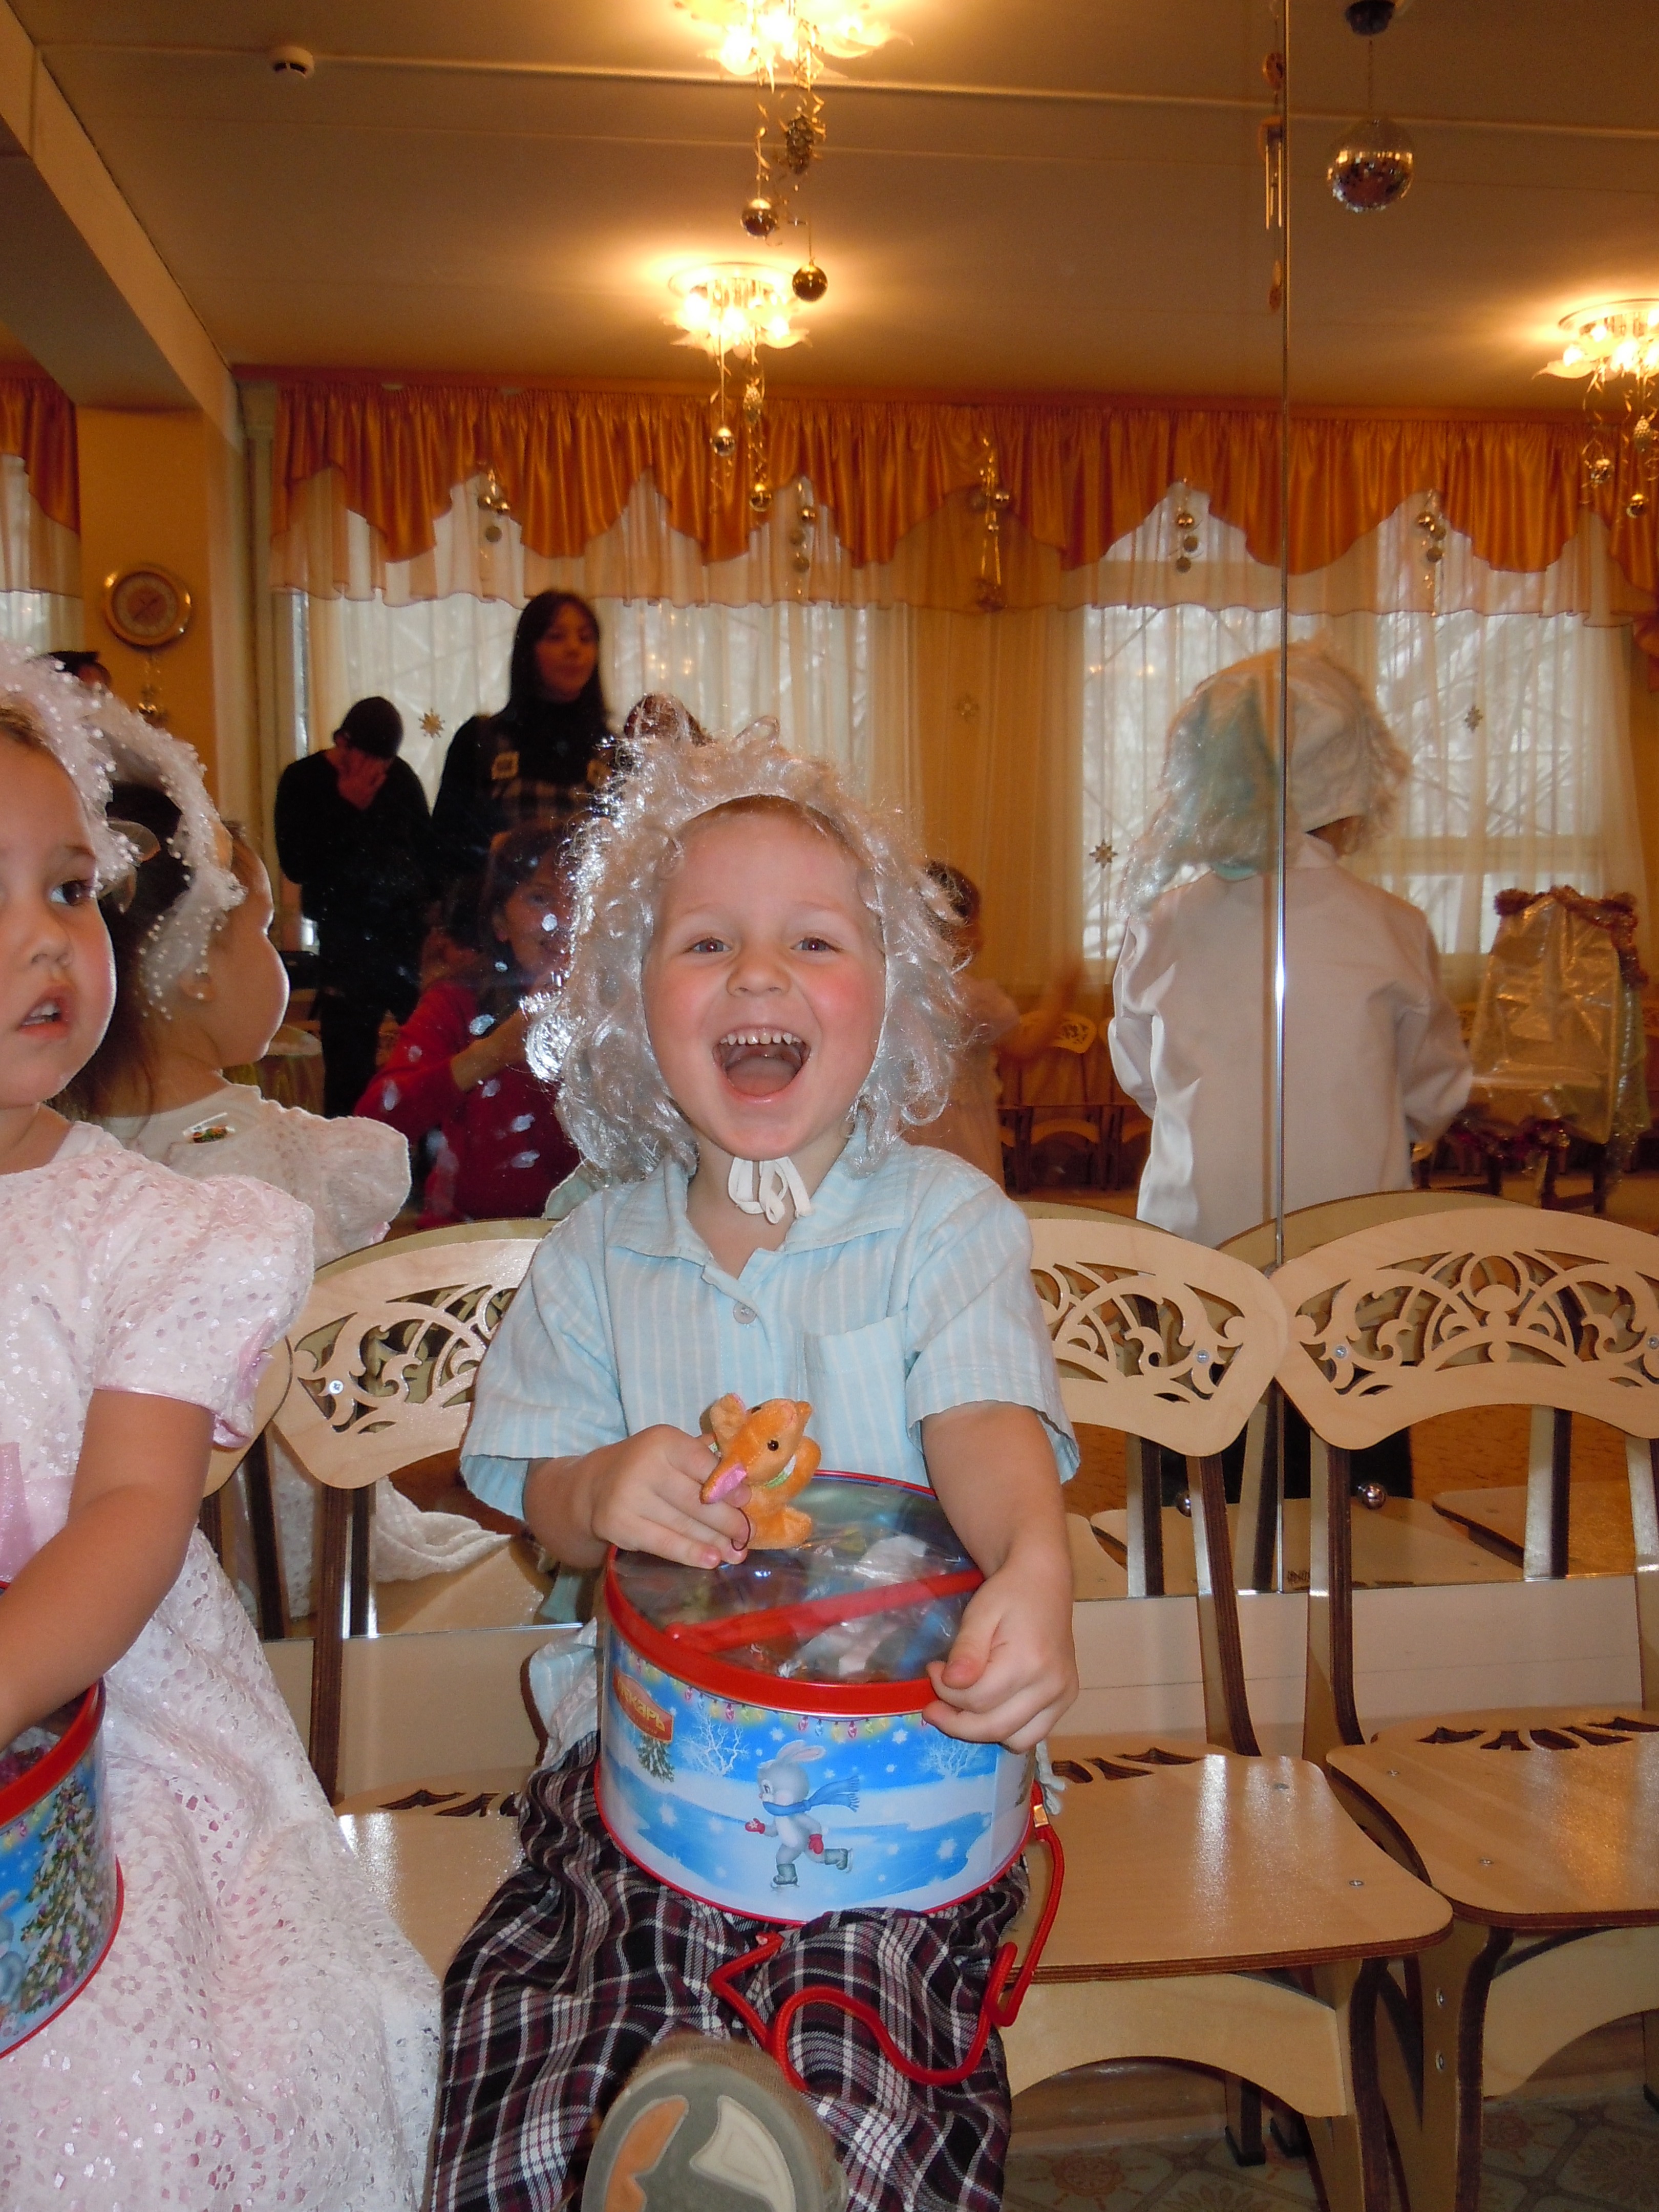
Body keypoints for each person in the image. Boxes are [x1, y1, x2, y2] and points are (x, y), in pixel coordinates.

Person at [428, 713, 1078, 2212]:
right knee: (564, 2019)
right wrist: (594, 1491)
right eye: (707, 943)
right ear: (629, 1003)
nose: (760, 976)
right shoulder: (596, 1252)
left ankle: (782, 2157)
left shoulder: (942, 1225)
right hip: (640, 1771)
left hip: (908, 1779)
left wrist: (1034, 1562)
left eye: (813, 942)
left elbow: (983, 1424)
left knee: (856, 2032)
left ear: (891, 1001)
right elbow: (535, 1491)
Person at [0, 648, 437, 2208]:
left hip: (121, 1745)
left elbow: (133, 1512)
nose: (43, 938)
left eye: (67, 889)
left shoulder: (152, 1228)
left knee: (168, 2103)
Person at [67, 738, 507, 1618]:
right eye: (264, 935)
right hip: (305, 1542)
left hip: (112, 1558)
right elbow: (347, 1370)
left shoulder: (63, 1155)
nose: (275, 959)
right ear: (197, 971)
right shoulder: (279, 1154)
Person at [1110, 642, 1471, 1251]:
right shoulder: (1391, 926)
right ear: (1350, 799)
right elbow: (1433, 1090)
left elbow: (1143, 1075)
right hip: (1351, 1233)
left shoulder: (1161, 923)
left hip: (1194, 1234)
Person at [359, 822, 580, 1224]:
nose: (562, 919)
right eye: (540, 897)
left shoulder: (630, 1007)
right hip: (471, 1239)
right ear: (500, 923)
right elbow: (374, 1121)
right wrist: (494, 1051)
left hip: (594, 1238)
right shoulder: (460, 1001)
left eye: (578, 897)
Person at [274, 694, 436, 1116]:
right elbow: (297, 865)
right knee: (347, 1073)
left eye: (385, 761)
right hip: (345, 946)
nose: (377, 771)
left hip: (405, 943)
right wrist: (346, 807)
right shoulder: (302, 780)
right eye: (368, 758)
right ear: (342, 742)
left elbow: (428, 859)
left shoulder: (400, 780)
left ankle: (425, 1148)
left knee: (428, 1056)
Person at [908, 861, 1082, 1184]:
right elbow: (1025, 1050)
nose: (980, 934)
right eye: (975, 922)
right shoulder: (974, 999)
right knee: (962, 1198)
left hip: (906, 1127)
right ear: (955, 929)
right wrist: (1061, 993)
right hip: (959, 1132)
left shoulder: (896, 988)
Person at [431, 592, 611, 888]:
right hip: (499, 913)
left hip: (591, 915)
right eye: (555, 637)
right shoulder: (482, 741)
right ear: (528, 651)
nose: (574, 649)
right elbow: (442, 848)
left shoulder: (612, 751)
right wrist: (498, 851)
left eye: (586, 638)